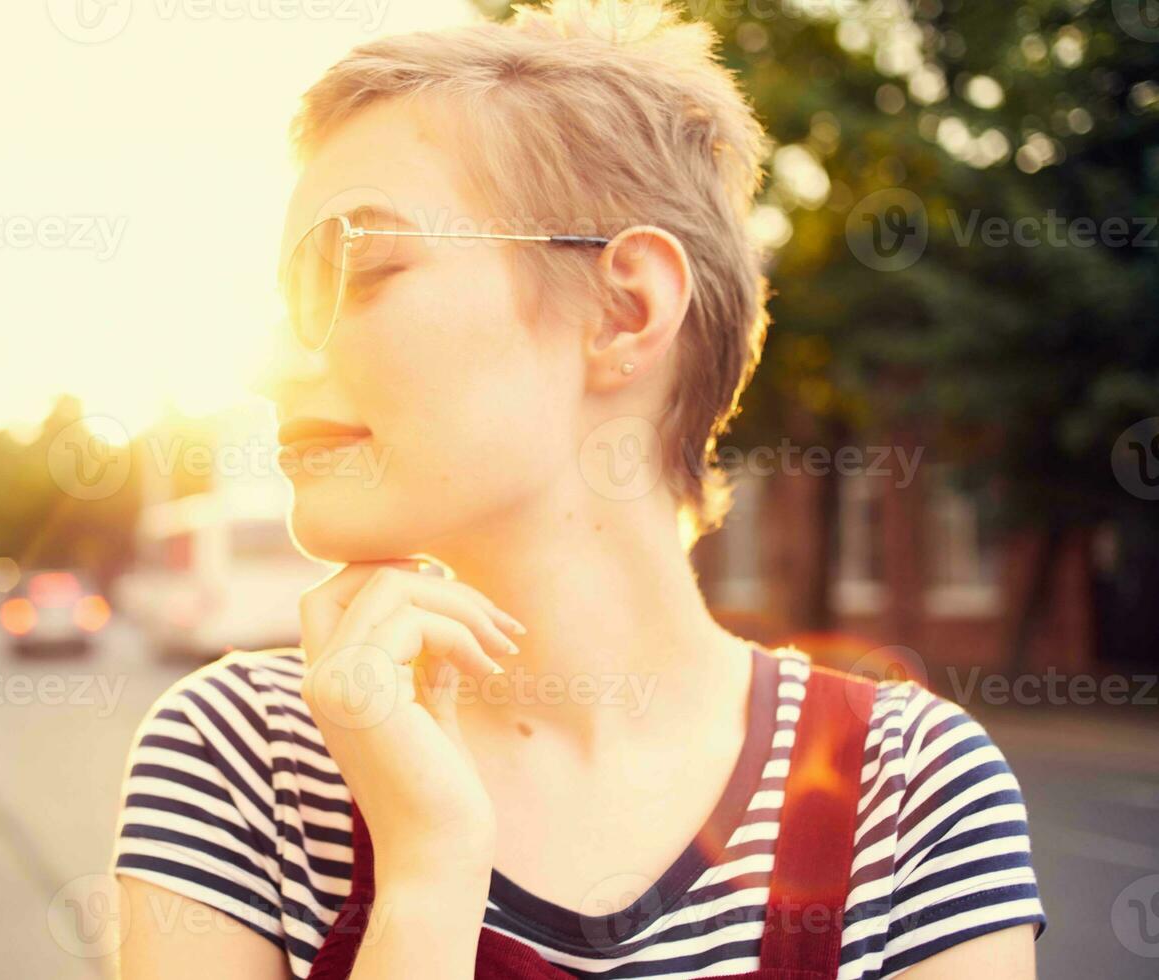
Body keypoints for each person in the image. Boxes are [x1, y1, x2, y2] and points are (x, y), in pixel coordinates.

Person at [110, 2, 1046, 976]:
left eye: (360, 265)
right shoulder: (237, 756)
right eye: (283, 298)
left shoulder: (910, 791)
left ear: (624, 308)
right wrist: (427, 878)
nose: (268, 368)